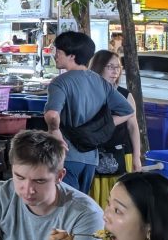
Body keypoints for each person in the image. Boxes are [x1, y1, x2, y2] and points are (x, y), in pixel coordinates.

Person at [45, 31, 133, 193]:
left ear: (72, 56)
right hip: (91, 159)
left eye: (58, 52)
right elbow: (127, 111)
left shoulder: (60, 82)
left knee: (65, 207)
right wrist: (100, 127)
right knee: (80, 205)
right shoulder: (100, 81)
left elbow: (52, 115)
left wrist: (54, 130)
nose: (55, 56)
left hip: (67, 156)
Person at [87, 50, 143, 174]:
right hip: (92, 153)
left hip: (121, 153)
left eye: (118, 67)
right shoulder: (88, 93)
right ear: (98, 67)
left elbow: (133, 126)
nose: (115, 71)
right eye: (110, 67)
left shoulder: (125, 95)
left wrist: (136, 156)